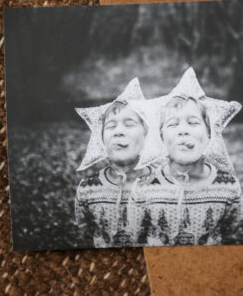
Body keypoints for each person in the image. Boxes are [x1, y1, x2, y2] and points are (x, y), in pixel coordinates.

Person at [133, 95, 241, 246]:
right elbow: (135, 242)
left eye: (193, 122)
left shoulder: (228, 186)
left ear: (209, 134)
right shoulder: (144, 186)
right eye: (172, 125)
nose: (183, 131)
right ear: (161, 137)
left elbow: (234, 241)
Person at [75, 101, 150, 248]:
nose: (119, 131)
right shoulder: (87, 188)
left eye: (129, 124)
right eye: (110, 126)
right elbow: (85, 232)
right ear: (101, 139)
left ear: (146, 134)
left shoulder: (161, 184)